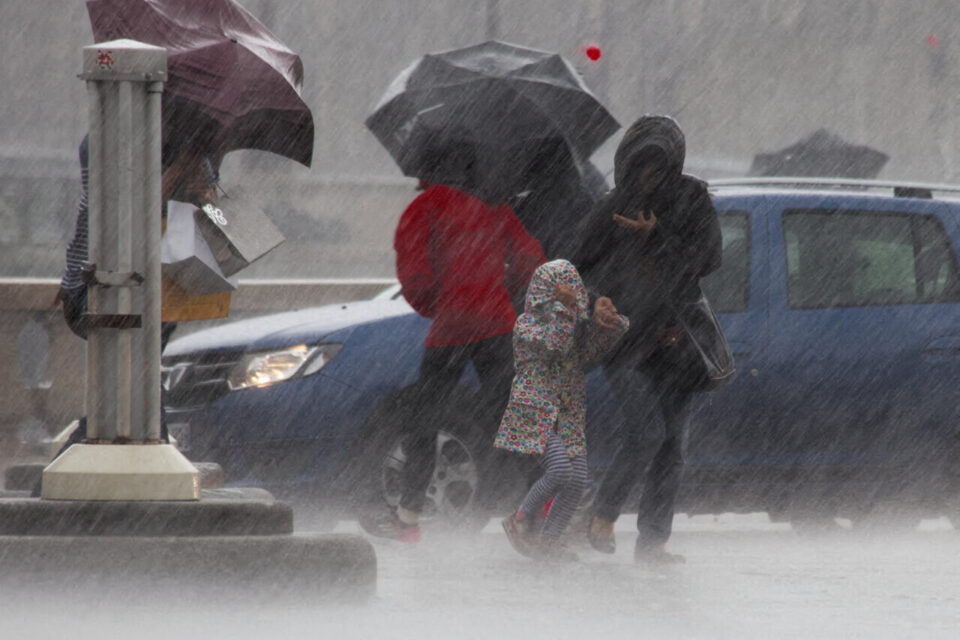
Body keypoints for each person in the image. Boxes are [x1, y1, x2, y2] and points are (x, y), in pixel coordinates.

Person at [358, 142, 546, 543]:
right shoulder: (495, 206)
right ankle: (543, 507)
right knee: (512, 416)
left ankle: (407, 519)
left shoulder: (423, 209)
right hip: (498, 324)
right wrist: (501, 290)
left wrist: (440, 304)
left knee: (425, 420)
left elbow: (415, 276)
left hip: (452, 328)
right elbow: (530, 258)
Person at [573, 115, 722, 564]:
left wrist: (657, 236)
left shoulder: (692, 199)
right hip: (625, 342)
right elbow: (578, 269)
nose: (650, 179)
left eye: (660, 169)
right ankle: (600, 515)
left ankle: (653, 540)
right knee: (646, 431)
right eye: (642, 168)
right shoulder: (611, 207)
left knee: (673, 444)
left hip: (675, 340)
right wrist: (595, 300)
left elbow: (708, 258)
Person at [495, 259, 628, 561]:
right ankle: (519, 519)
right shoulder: (527, 325)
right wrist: (564, 311)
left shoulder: (573, 325)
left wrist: (609, 323)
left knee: (577, 479)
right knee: (559, 469)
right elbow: (553, 344)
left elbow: (591, 351)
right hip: (534, 409)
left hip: (566, 413)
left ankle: (549, 540)